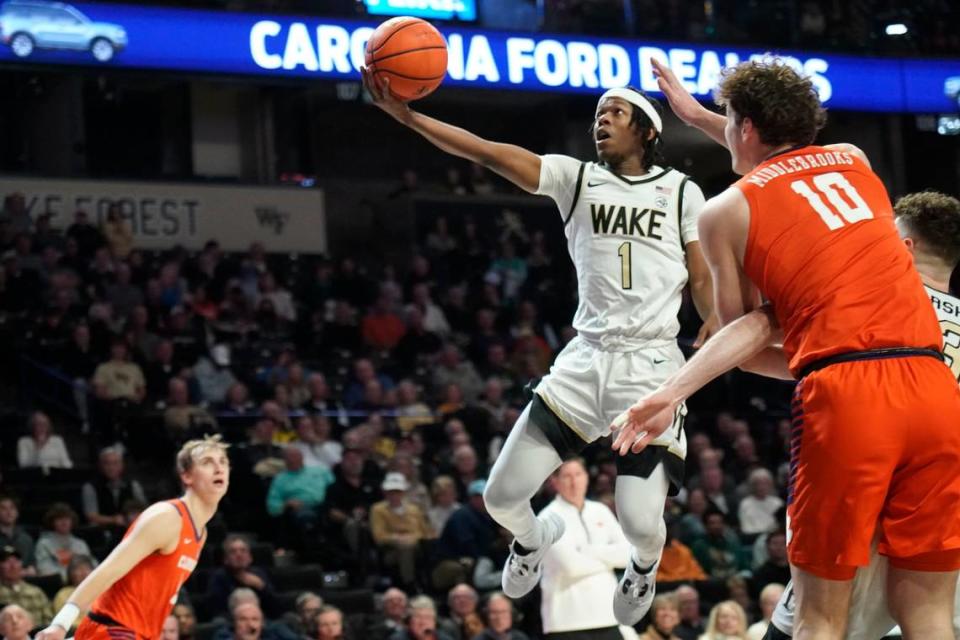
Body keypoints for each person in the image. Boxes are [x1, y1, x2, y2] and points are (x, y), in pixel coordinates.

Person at [612, 58, 960, 639]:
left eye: (727, 122)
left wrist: (674, 391)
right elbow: (793, 168)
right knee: (926, 614)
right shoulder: (856, 159)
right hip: (932, 386)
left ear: (744, 127)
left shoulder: (723, 210)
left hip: (847, 393)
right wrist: (704, 116)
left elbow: (742, 337)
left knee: (821, 617)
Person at [362, 58, 716, 628]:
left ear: (648, 130)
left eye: (615, 112)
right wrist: (409, 118)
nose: (601, 121)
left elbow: (701, 274)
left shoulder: (682, 192)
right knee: (499, 499)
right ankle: (531, 542)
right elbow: (485, 149)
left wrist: (715, 317)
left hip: (651, 366)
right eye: (598, 114)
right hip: (585, 360)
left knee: (639, 524)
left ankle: (644, 565)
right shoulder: (576, 178)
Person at [761, 191, 960, 640]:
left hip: (865, 503)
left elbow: (788, 357)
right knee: (931, 623)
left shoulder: (874, 302)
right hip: (944, 508)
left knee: (812, 625)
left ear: (902, 246)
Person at [34, 436, 230, 640]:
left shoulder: (201, 532)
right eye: (208, 462)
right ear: (187, 476)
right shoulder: (167, 517)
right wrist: (61, 623)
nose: (219, 468)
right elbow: (108, 570)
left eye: (223, 462)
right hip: (114, 630)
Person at [539, 458, 631, 640]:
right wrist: (608, 558)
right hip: (566, 621)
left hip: (607, 616)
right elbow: (570, 566)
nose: (574, 482)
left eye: (578, 475)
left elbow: (628, 555)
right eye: (567, 476)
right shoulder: (547, 518)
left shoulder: (600, 510)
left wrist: (588, 551)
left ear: (587, 478)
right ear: (554, 482)